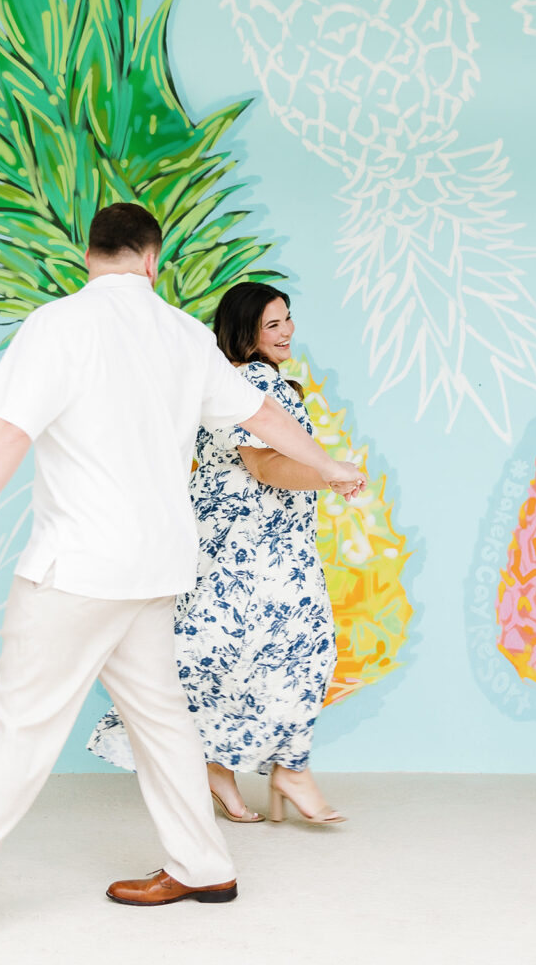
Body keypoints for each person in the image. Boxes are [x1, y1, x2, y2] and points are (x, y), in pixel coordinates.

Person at [0, 206, 364, 938]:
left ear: (88, 255)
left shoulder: (58, 324)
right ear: (153, 262)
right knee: (162, 720)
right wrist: (331, 467)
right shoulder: (184, 335)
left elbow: (12, 431)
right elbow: (261, 416)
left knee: (21, 728)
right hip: (158, 566)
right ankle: (202, 866)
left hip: (79, 567)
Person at [90, 281, 354, 825]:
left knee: (226, 648)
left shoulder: (244, 380)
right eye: (273, 324)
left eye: (288, 319)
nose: (286, 332)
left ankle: (242, 768)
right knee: (282, 646)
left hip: (252, 536)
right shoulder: (250, 381)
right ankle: (284, 770)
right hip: (246, 541)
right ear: (246, 331)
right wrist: (331, 476)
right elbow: (264, 467)